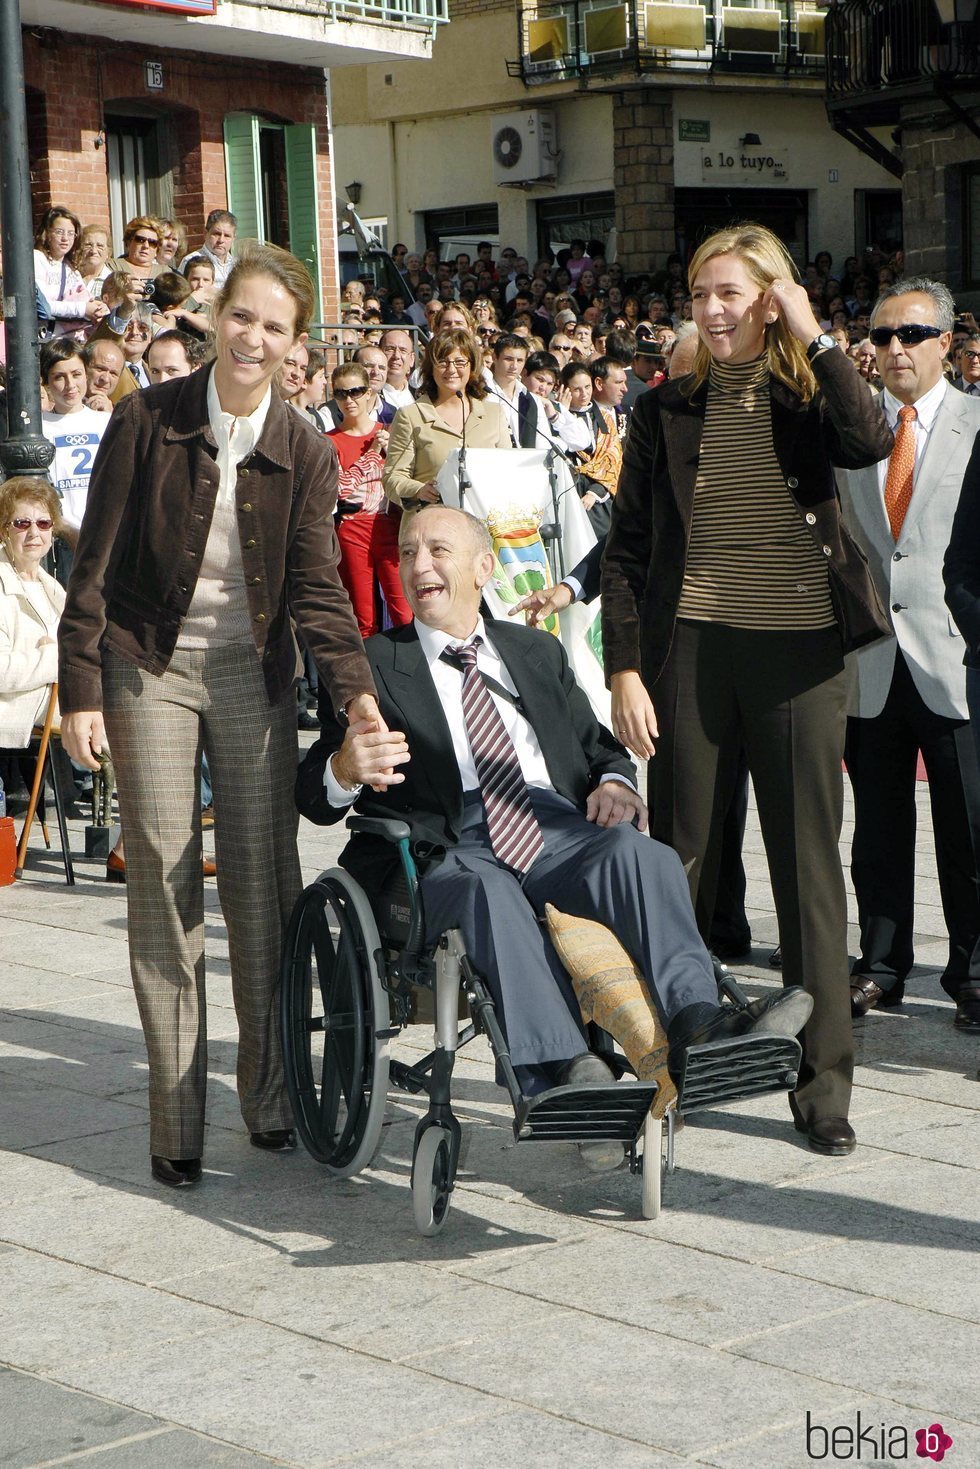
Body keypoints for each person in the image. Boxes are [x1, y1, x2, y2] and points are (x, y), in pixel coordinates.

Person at [296, 505, 811, 1104]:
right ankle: (565, 1070)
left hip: (552, 825)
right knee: (486, 890)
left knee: (639, 855)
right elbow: (314, 792)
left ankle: (702, 1025)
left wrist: (616, 782)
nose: (419, 565)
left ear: (485, 566)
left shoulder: (533, 652)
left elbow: (599, 748)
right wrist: (343, 769)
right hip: (445, 840)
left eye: (439, 550)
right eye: (408, 552)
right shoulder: (374, 664)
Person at [57, 243, 380, 1191]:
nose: (254, 337)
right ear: (218, 316)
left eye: (275, 327)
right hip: (147, 659)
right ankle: (175, 1121)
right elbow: (97, 566)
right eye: (243, 316)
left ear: (294, 345)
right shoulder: (145, 418)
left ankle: (271, 1097)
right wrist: (80, 689)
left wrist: (356, 692)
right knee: (160, 867)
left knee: (263, 879)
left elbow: (320, 590)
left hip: (253, 670)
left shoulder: (305, 447)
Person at [601, 222, 894, 1157]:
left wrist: (813, 329)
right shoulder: (665, 408)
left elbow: (871, 434)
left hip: (803, 657)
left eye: (731, 293)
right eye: (700, 295)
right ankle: (668, 1067)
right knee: (677, 862)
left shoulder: (808, 392)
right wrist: (624, 667)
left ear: (769, 298)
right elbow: (629, 549)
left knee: (808, 868)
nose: (712, 310)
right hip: (693, 653)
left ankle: (823, 1089)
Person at [837, 278, 980, 1035]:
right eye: (882, 333)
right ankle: (882, 964)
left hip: (957, 657)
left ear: (946, 343)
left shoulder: (978, 424)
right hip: (873, 658)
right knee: (879, 825)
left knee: (971, 825)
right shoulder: (856, 431)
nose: (894, 347)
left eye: (912, 334)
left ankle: (973, 971)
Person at [384, 329, 510, 510]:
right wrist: (419, 490)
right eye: (442, 362)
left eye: (460, 362)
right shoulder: (410, 416)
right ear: (431, 368)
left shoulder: (494, 414)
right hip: (430, 523)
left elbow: (507, 471)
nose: (451, 370)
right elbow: (392, 478)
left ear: (472, 367)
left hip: (483, 525)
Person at [328, 361, 410, 639]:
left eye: (356, 391)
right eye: (341, 393)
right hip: (352, 528)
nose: (349, 399)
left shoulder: (391, 430)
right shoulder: (330, 441)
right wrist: (375, 453)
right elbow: (342, 488)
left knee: (404, 610)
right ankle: (368, 679)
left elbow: (404, 477)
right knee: (363, 618)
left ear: (369, 393)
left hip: (390, 524)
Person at [40, 339, 112, 583]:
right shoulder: (39, 428)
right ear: (46, 382)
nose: (70, 385)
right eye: (59, 377)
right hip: (63, 541)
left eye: (76, 374)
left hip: (104, 537)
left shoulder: (105, 423)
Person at [33, 207, 108, 331]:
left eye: (70, 233)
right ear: (47, 233)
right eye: (59, 232)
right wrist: (83, 309)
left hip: (73, 338)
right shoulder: (37, 258)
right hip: (48, 338)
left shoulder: (70, 267)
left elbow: (85, 299)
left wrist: (98, 308)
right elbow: (44, 306)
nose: (65, 238)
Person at [178, 209, 237, 287]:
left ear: (233, 238)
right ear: (205, 233)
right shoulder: (190, 261)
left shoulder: (237, 266)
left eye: (227, 236)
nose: (221, 240)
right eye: (217, 234)